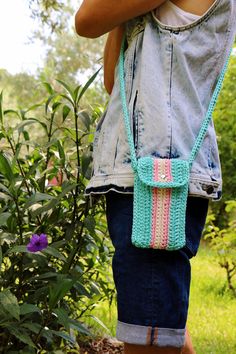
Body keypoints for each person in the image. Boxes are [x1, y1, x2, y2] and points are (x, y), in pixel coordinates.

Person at [75, 1, 236, 353]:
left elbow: (86, 20)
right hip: (146, 170)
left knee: (148, 337)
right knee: (160, 330)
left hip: (157, 177)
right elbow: (111, 79)